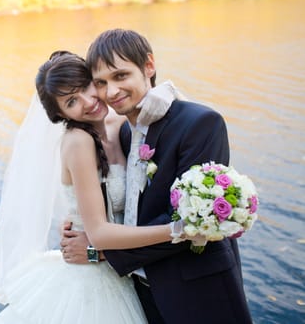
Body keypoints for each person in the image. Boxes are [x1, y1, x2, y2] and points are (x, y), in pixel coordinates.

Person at [60, 29, 252, 324]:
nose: (111, 92)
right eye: (101, 83)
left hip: (200, 291)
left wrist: (100, 253)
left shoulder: (200, 123)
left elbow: (191, 225)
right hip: (142, 293)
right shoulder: (125, 132)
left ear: (148, 66)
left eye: (120, 76)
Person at [0, 51, 186, 323]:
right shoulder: (78, 142)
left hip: (123, 271)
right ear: (60, 114)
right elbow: (101, 234)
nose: (88, 101)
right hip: (94, 282)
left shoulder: (120, 125)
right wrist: (178, 230)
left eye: (85, 87)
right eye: (71, 101)